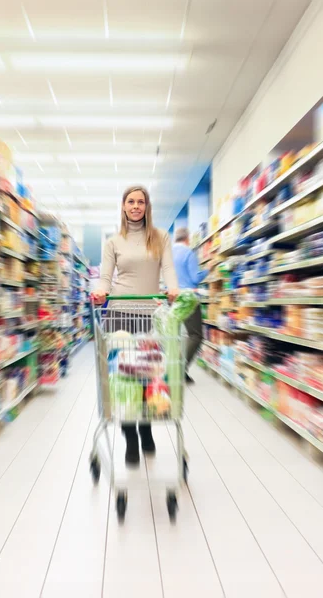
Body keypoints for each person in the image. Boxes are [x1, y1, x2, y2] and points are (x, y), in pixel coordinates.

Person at [92, 186, 179, 466]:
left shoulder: (160, 237)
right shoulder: (113, 242)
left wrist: (174, 289)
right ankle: (130, 436)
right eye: (130, 201)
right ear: (123, 206)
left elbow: (167, 269)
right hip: (119, 313)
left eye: (141, 202)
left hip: (148, 314)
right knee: (123, 377)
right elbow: (106, 277)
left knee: (149, 372)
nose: (135, 206)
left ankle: (147, 428)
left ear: (147, 206)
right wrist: (100, 291)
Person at [172, 227, 208, 384]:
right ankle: (179, 369)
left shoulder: (169, 254)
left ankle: (176, 367)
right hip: (188, 298)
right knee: (196, 335)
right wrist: (208, 269)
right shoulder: (188, 253)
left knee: (175, 336)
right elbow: (195, 278)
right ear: (187, 239)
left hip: (172, 298)